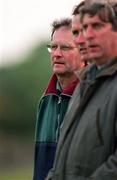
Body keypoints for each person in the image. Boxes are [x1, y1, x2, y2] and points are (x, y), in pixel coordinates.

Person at [46, 1, 117, 180]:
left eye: (97, 26)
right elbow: (61, 161)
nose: (84, 37)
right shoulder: (84, 84)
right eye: (82, 29)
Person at [33, 18, 84, 180]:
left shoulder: (92, 97)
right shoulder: (45, 100)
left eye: (65, 47)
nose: (56, 53)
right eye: (53, 47)